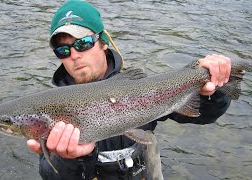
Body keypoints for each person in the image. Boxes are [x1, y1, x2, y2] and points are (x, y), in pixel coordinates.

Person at [27, 1, 232, 179]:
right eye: (63, 50)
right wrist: (70, 159)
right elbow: (50, 175)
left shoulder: (137, 88)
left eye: (82, 43)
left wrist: (213, 88)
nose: (73, 55)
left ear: (103, 43)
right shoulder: (49, 109)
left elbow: (203, 115)